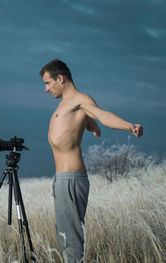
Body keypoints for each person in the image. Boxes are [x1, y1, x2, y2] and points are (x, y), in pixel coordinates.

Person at [39, 59, 143, 263]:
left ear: (60, 78)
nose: (46, 89)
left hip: (71, 179)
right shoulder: (66, 105)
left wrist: (129, 126)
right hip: (62, 179)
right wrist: (93, 128)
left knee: (72, 239)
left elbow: (102, 115)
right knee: (64, 235)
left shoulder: (80, 100)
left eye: (48, 83)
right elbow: (89, 120)